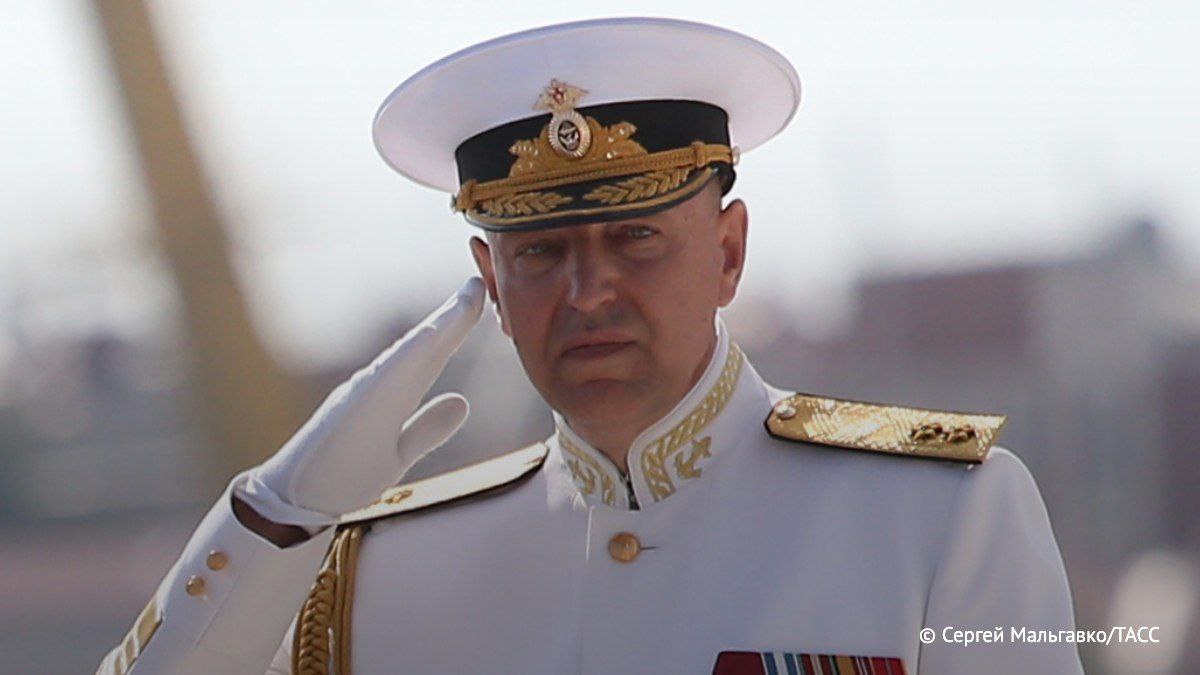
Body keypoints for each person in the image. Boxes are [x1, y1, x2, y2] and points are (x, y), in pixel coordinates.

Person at [98, 17, 1083, 675]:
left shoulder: (938, 510)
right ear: (490, 282)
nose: (588, 292)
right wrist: (276, 521)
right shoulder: (380, 567)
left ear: (729, 252)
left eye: (636, 238)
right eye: (541, 253)